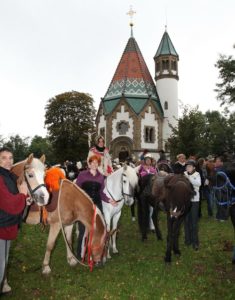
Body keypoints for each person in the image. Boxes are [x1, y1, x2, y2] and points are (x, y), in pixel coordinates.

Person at [75, 154, 116, 259]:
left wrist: (109, 200)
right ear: (88, 163)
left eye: (96, 163)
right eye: (92, 162)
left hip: (97, 206)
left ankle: (95, 251)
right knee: (83, 230)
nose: (94, 164)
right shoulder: (82, 175)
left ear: (98, 164)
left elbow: (102, 192)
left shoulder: (100, 177)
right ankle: (79, 254)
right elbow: (77, 190)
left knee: (97, 230)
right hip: (84, 206)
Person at [0, 147, 28, 294]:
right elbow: (10, 204)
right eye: (4, 158)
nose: (8, 161)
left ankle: (3, 284)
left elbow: (14, 198)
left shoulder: (9, 176)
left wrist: (24, 200)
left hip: (8, 224)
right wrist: (23, 195)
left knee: (4, 259)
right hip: (2, 226)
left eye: (10, 158)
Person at [184, 160, 201, 250]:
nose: (188, 168)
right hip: (186, 200)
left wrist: (188, 178)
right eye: (187, 166)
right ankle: (187, 240)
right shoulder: (184, 174)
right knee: (186, 221)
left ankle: (195, 242)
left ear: (194, 167)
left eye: (190, 166)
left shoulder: (197, 174)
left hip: (194, 201)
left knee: (194, 222)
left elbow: (198, 183)